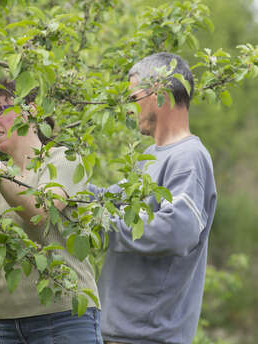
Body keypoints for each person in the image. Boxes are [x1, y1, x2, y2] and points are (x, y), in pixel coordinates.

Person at [0, 81, 102, 343]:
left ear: (30, 112)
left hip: (64, 317)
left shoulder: (62, 159)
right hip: (2, 323)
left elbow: (41, 211)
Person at [89, 52, 217, 344]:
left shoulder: (189, 158)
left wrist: (103, 221)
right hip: (119, 332)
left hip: (147, 336)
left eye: (134, 97)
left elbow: (175, 232)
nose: (131, 107)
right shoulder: (149, 158)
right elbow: (108, 200)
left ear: (158, 94)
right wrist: (67, 191)